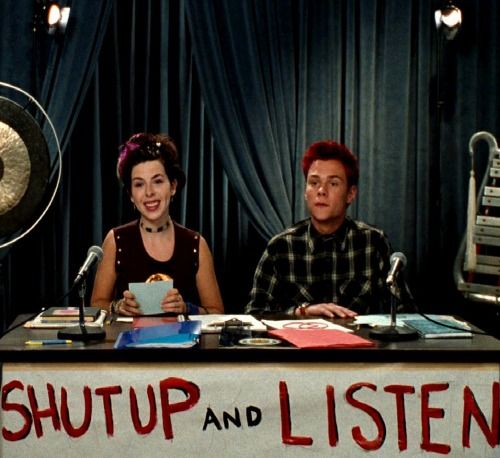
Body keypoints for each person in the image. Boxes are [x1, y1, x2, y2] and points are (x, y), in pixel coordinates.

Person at [245, 140, 405, 319]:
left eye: (333, 184)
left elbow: (402, 312)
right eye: (314, 183)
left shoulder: (373, 242)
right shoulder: (281, 246)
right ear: (306, 192)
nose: (321, 191)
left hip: (359, 345)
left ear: (351, 194)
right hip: (301, 344)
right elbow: (255, 315)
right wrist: (301, 312)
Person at [91, 132, 224, 316]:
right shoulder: (116, 240)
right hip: (128, 343)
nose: (149, 192)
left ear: (173, 186)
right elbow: (96, 304)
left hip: (183, 344)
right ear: (130, 195)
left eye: (158, 181)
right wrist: (117, 307)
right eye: (139, 184)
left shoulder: (196, 244)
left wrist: (187, 308)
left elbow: (217, 312)